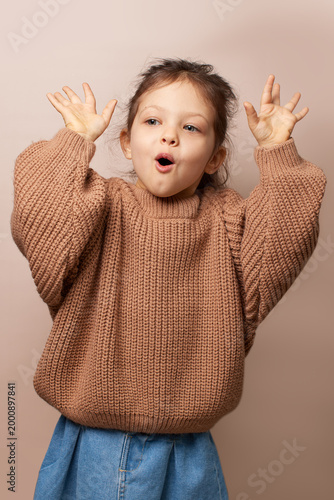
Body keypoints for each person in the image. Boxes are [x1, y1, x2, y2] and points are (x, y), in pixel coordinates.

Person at [10, 58, 327, 500]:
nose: (169, 135)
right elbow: (40, 221)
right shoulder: (101, 205)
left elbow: (282, 245)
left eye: (192, 128)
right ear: (125, 141)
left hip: (190, 450)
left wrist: (277, 152)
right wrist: (73, 142)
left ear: (215, 157)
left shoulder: (228, 219)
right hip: (94, 443)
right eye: (153, 120)